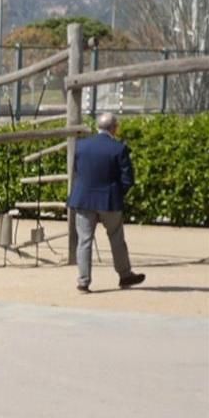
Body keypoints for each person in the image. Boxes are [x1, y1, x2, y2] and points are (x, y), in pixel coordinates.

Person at [66, 113, 145, 293]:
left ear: (97, 127)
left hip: (83, 199)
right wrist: (117, 193)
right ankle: (125, 275)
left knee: (84, 240)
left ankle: (83, 281)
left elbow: (77, 171)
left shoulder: (81, 146)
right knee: (116, 238)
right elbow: (127, 179)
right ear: (114, 128)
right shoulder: (119, 148)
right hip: (109, 199)